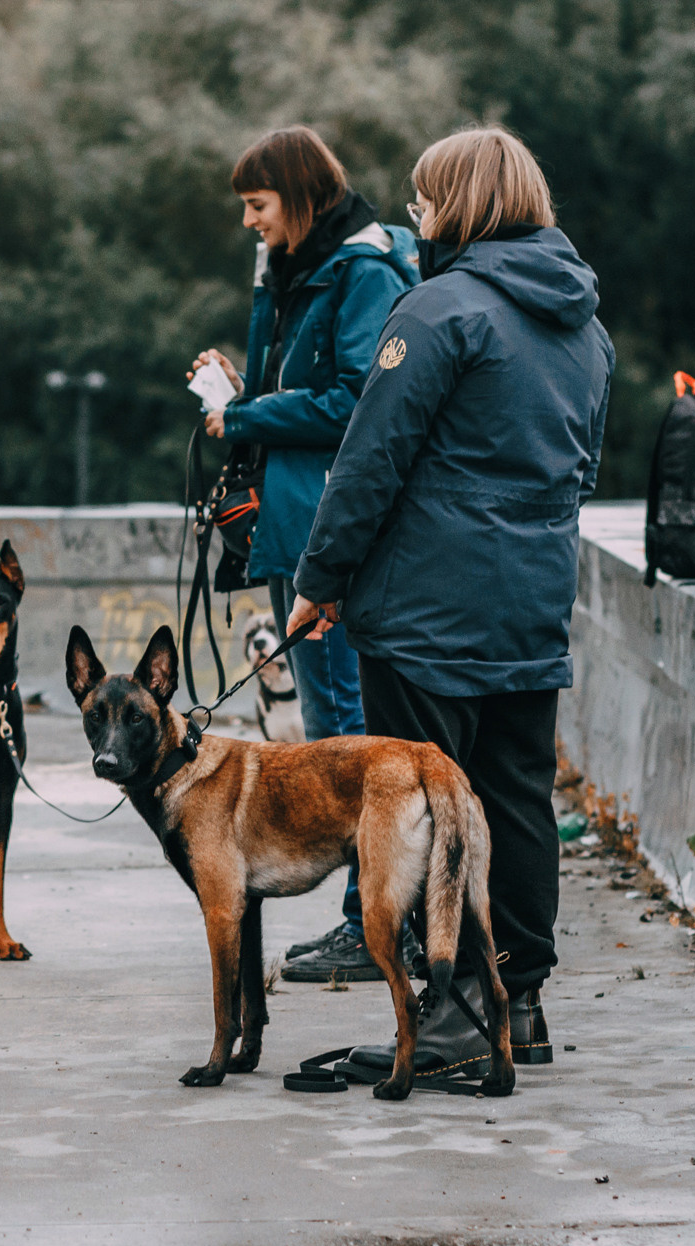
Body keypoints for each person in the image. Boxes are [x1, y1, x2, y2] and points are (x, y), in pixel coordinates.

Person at [288, 126, 614, 1075]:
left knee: (428, 809)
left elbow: (370, 458)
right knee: (515, 800)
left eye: (427, 201)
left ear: (464, 206)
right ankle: (519, 1005)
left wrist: (320, 580)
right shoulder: (585, 327)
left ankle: (455, 1010)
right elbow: (582, 465)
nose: (417, 218)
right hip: (531, 603)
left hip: (428, 610)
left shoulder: (437, 311)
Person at [189, 126, 419, 984]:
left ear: (298, 195)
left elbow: (356, 399)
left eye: (258, 206)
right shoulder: (305, 269)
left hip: (331, 531)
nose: (250, 223)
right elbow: (304, 385)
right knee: (335, 722)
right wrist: (243, 386)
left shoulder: (359, 272)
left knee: (345, 730)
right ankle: (369, 917)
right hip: (303, 523)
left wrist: (247, 418)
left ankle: (373, 922)